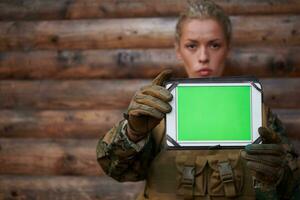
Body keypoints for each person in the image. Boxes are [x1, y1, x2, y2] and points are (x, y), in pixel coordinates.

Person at [96, 0, 300, 199]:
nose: (203, 56)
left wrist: (278, 176)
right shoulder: (156, 111)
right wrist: (132, 132)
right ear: (178, 51)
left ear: (227, 48)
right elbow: (117, 170)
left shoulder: (258, 115)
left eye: (214, 45)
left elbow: (293, 188)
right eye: (192, 46)